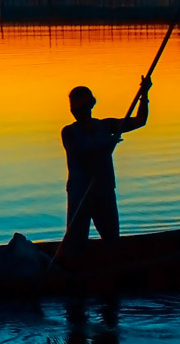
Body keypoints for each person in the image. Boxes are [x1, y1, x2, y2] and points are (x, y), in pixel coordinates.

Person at [59, 77, 151, 265]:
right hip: (80, 193)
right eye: (74, 108)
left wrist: (144, 94)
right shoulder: (68, 132)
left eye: (81, 107)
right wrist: (107, 144)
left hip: (103, 191)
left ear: (90, 105)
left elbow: (140, 121)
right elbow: (81, 154)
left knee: (111, 241)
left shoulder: (106, 126)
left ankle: (113, 271)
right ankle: (73, 272)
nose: (77, 111)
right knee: (76, 243)